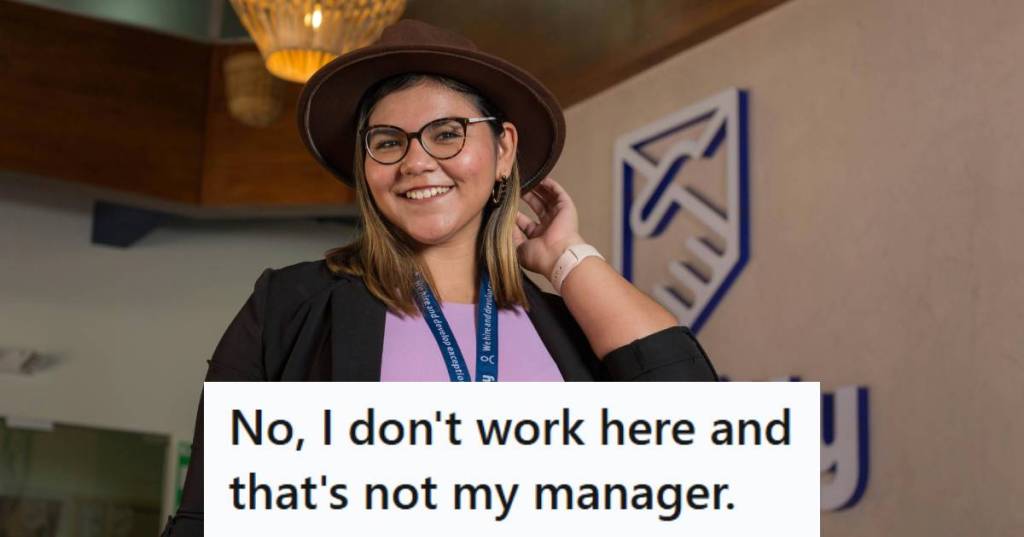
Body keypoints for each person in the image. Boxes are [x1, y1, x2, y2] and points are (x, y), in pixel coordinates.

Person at [160, 19, 717, 536]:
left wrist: (566, 256)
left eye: (447, 133)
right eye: (387, 142)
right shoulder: (289, 305)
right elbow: (208, 516)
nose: (416, 161)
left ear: (504, 151)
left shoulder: (569, 326)